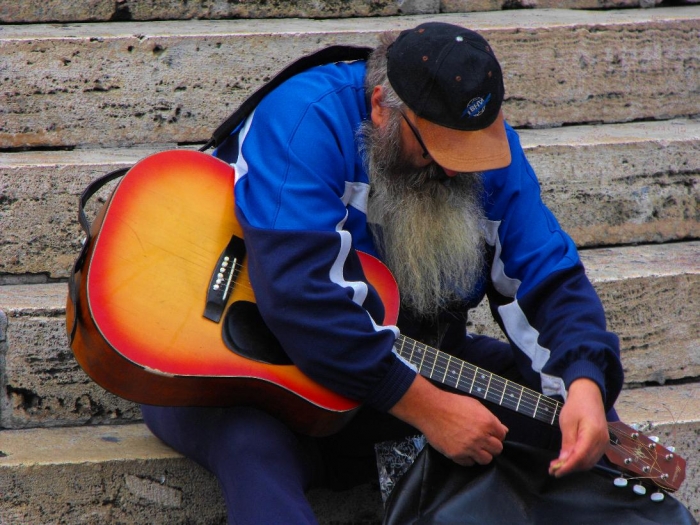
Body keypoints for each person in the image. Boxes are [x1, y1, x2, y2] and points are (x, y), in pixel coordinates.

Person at [141, 22, 624, 524]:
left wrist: (584, 381)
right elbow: (300, 294)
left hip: (407, 358)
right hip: (243, 373)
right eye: (438, 149)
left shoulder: (481, 147)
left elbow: (547, 275)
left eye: (470, 151)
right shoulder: (305, 118)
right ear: (381, 107)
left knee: (586, 430)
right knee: (251, 449)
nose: (456, 169)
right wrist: (429, 410)